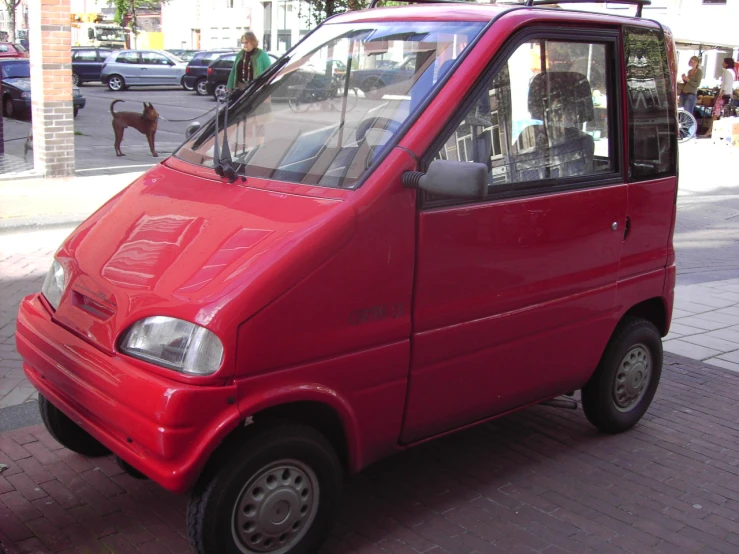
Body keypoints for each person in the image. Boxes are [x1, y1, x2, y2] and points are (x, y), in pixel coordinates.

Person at [226, 31, 273, 147]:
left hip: (258, 92)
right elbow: (234, 71)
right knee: (246, 121)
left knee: (259, 121)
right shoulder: (240, 54)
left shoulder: (262, 54)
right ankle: (246, 147)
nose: (244, 45)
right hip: (242, 92)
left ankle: (259, 147)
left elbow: (270, 72)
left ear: (252, 41)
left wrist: (266, 89)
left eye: (246, 42)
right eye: (243, 43)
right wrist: (230, 87)